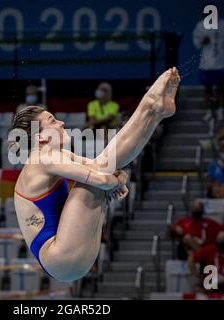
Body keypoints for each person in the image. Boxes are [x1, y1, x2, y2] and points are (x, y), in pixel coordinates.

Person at [11, 67, 180, 282]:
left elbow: (101, 169)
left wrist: (115, 179)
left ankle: (155, 113)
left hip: (70, 259)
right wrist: (115, 180)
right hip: (60, 255)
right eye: (52, 121)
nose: (61, 123)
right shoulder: (42, 158)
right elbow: (100, 177)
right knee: (102, 169)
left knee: (104, 164)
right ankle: (150, 107)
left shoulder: (54, 156)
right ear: (40, 138)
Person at [193, 17, 224, 122]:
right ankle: (209, 112)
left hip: (221, 62)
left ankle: (221, 111)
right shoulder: (200, 25)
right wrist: (203, 41)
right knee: (207, 89)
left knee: (221, 88)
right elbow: (196, 43)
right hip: (206, 63)